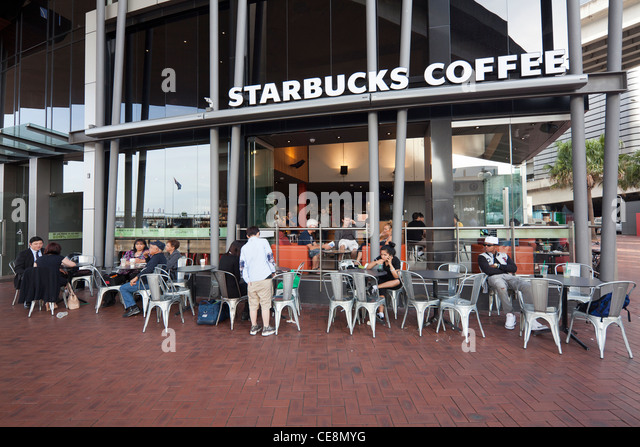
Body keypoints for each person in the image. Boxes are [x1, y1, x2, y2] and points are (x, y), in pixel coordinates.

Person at [478, 236, 546, 331]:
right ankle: (509, 314)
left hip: (508, 277)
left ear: (495, 246)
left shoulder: (504, 255)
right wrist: (504, 269)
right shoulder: (482, 257)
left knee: (527, 286)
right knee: (501, 286)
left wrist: (497, 266)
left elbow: (514, 268)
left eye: (488, 245)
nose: (485, 247)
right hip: (493, 278)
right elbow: (488, 271)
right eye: (484, 245)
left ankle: (531, 316)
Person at [240, 226, 277, 336]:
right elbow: (270, 258)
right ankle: (266, 328)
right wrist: (273, 271)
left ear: (247, 236)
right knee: (265, 304)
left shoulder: (244, 248)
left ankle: (254, 327)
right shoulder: (264, 242)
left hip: (251, 280)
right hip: (264, 277)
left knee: (253, 305)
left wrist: (247, 279)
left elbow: (242, 266)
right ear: (258, 234)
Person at [119, 240, 167, 318]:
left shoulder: (156, 257)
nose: (149, 249)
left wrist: (136, 277)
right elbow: (150, 265)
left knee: (123, 288)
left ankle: (133, 307)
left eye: (151, 247)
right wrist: (147, 257)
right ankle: (134, 304)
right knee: (127, 285)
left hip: (149, 284)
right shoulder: (159, 256)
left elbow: (148, 269)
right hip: (155, 282)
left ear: (157, 249)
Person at [364, 243, 402, 322]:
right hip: (383, 280)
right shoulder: (380, 258)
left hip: (393, 282)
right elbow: (368, 267)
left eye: (385, 255)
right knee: (382, 288)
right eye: (382, 254)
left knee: (398, 281)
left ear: (390, 255)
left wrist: (390, 264)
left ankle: (375, 287)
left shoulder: (395, 260)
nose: (383, 256)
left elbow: (396, 276)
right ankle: (381, 314)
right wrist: (376, 262)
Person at [219, 240, 249, 320]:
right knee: (250, 288)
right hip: (234, 292)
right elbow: (238, 277)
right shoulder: (235, 260)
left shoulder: (223, 257)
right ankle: (246, 313)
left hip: (223, 290)